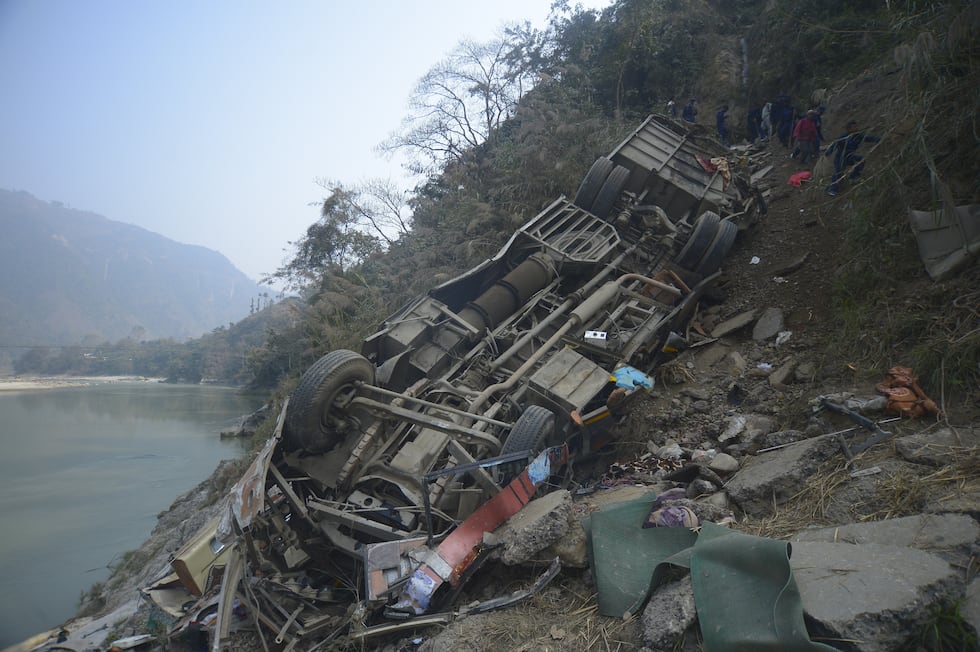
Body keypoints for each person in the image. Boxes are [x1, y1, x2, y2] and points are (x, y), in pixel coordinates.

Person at [825, 120, 881, 196]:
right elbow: (835, 144)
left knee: (861, 160)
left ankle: (854, 177)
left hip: (850, 157)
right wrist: (828, 152)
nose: (856, 128)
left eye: (856, 126)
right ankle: (832, 189)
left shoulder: (858, 136)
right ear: (849, 129)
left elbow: (868, 138)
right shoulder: (844, 137)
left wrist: (880, 139)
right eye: (854, 127)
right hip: (840, 158)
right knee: (839, 173)